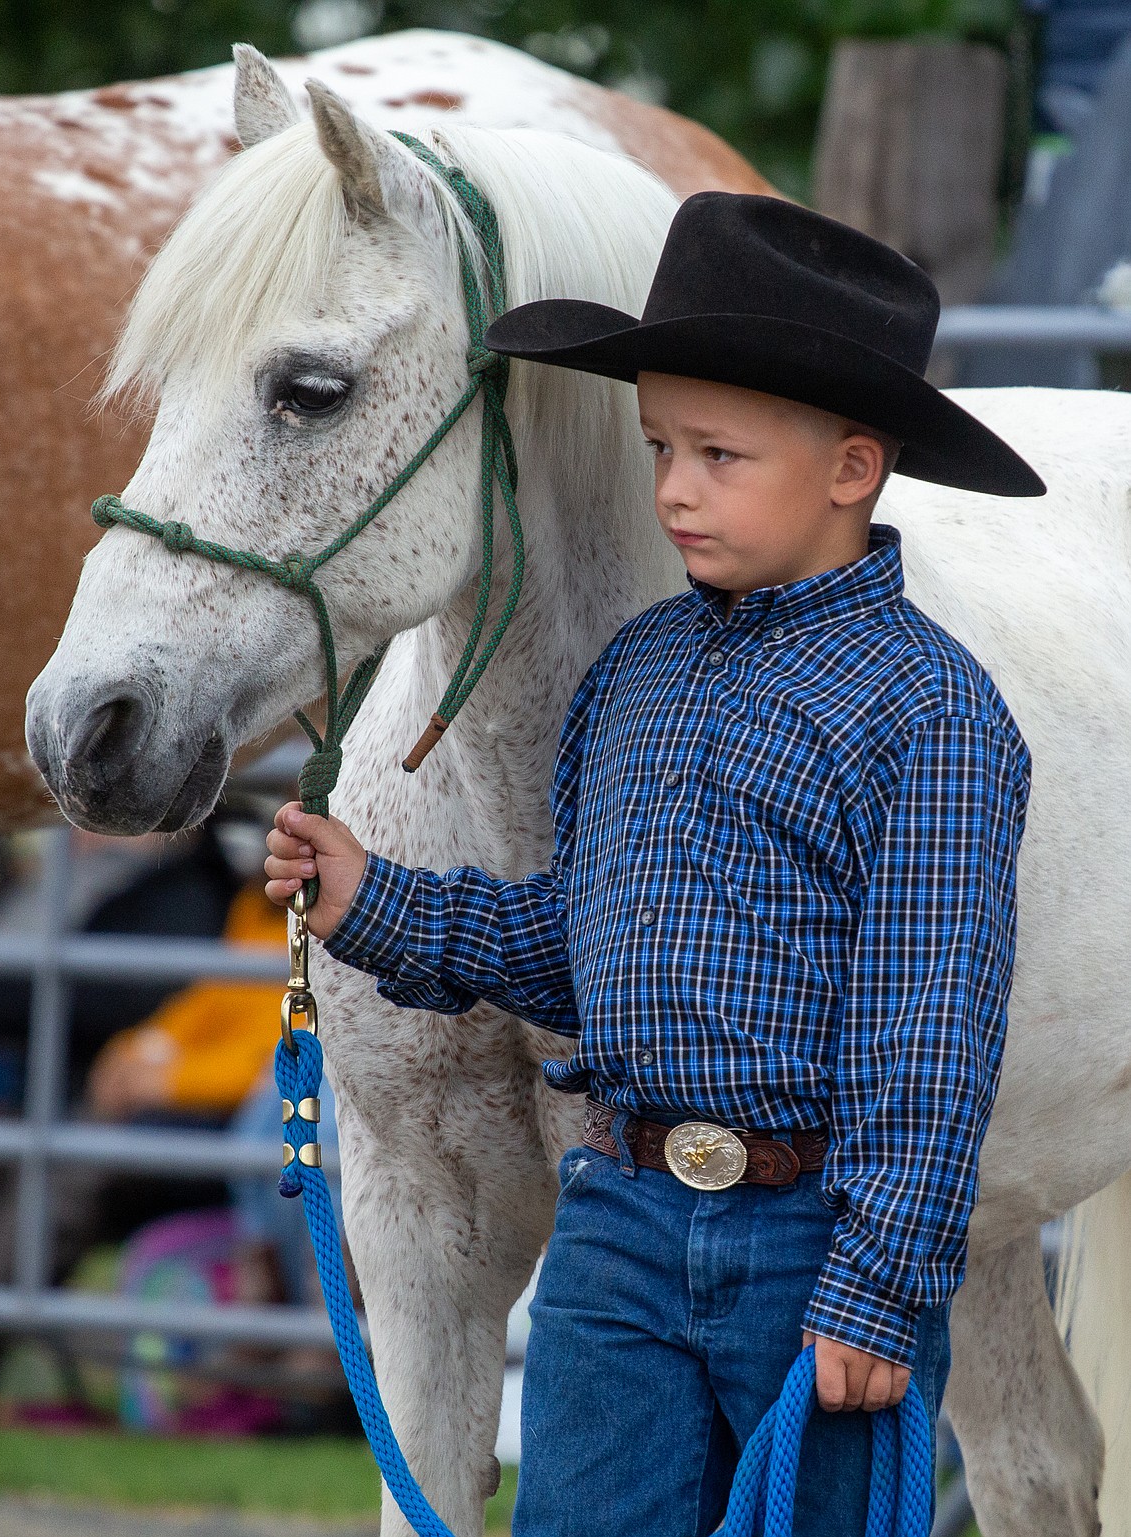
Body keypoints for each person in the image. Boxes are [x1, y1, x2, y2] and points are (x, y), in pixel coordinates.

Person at [262, 194, 1042, 1536]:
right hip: (616, 1224)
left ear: (851, 468)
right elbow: (580, 943)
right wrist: (372, 903)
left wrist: (875, 1283)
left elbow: (929, 1035)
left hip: (815, 1242)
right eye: (660, 447)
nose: (673, 487)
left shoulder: (932, 712)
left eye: (719, 455)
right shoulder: (635, 672)